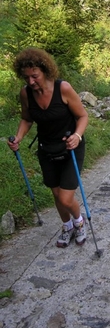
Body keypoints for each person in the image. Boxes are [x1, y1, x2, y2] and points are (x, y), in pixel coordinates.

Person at [7, 47, 89, 248]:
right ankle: (67, 225)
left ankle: (79, 222)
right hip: (47, 149)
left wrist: (77, 136)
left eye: (34, 76)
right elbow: (27, 119)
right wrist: (18, 137)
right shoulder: (26, 94)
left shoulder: (63, 89)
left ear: (45, 71)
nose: (31, 82)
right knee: (56, 195)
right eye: (26, 78)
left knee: (65, 196)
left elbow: (82, 116)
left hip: (71, 148)